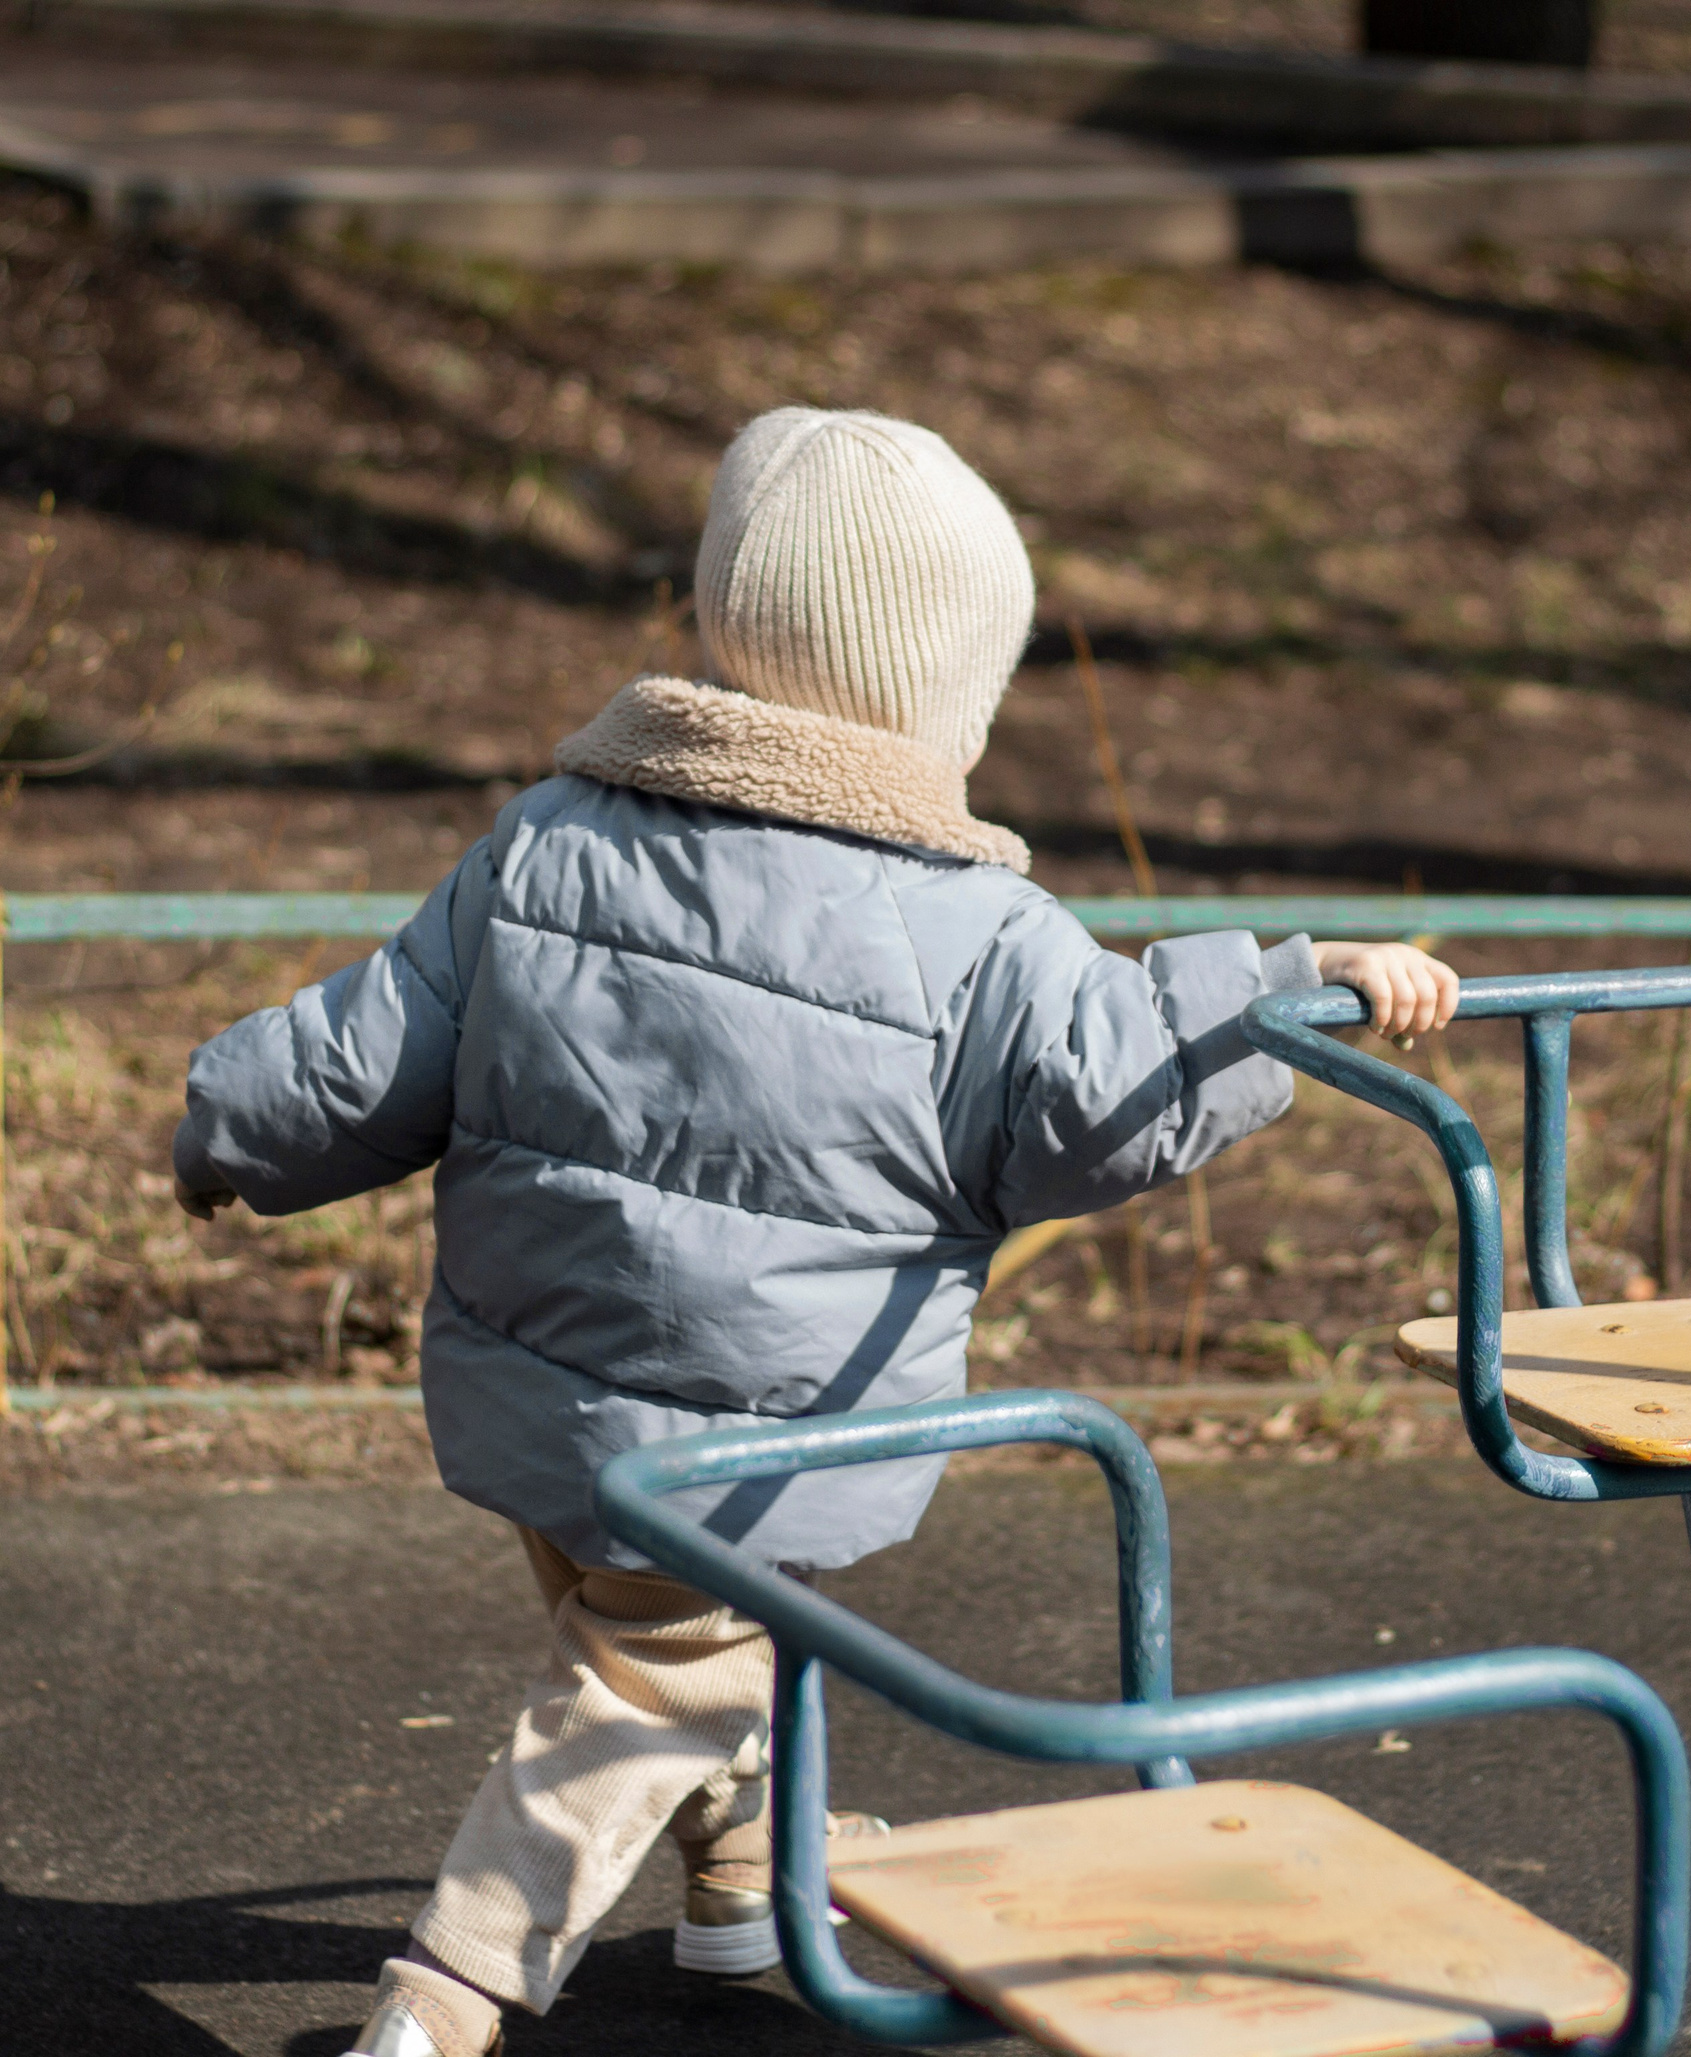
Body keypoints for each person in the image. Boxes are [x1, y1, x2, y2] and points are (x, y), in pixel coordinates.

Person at [169, 406, 1460, 2057]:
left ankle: (740, 1887)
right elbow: (1116, 1093)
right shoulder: (978, 934)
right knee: (652, 1689)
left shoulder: (551, 841)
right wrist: (1298, 986)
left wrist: (225, 1126)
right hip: (764, 1430)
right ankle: (447, 1992)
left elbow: (369, 1052)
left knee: (683, 1641)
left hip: (528, 1382)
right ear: (947, 698)